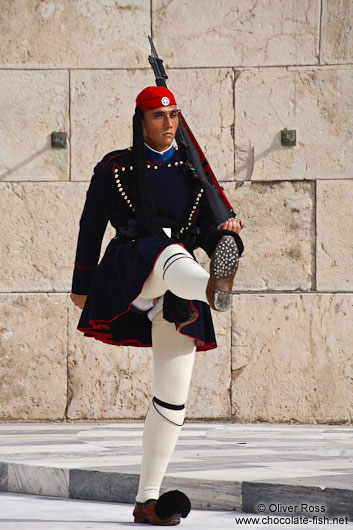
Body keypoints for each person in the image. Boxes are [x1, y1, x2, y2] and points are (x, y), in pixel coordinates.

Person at [70, 86, 245, 525]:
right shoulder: (117, 168)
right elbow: (90, 225)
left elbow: (205, 231)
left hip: (177, 292)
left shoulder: (192, 173)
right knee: (169, 254)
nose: (167, 124)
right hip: (134, 266)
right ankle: (213, 285)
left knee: (173, 398)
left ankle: (148, 500)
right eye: (157, 116)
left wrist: (224, 232)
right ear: (140, 120)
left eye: (173, 115)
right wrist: (81, 282)